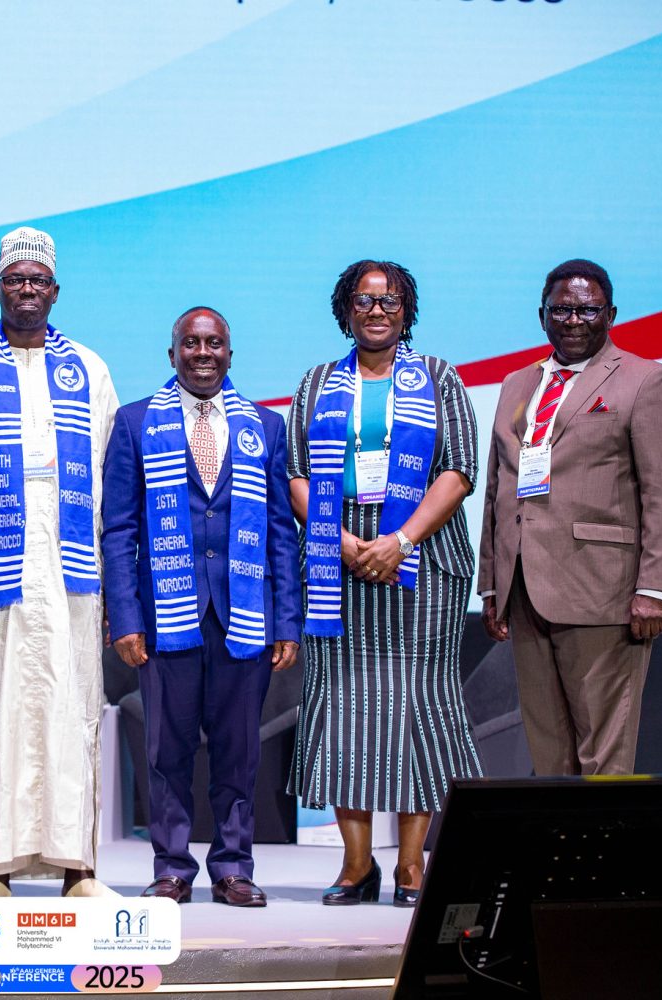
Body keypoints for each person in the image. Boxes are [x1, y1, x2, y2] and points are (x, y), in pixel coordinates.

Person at [286, 260, 482, 908]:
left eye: (390, 301)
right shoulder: (317, 382)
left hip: (422, 558)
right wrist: (341, 541)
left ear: (407, 311)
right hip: (337, 556)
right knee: (343, 707)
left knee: (416, 707)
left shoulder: (440, 378)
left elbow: (458, 471)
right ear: (346, 309)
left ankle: (412, 867)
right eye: (365, 300)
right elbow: (295, 473)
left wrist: (401, 539)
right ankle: (355, 866)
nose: (377, 311)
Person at [0, 226, 120, 898]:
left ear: (55, 291)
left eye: (37, 280)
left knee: (73, 710)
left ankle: (79, 868)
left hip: (72, 570)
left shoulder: (90, 369)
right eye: (15, 279)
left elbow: (110, 478)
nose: (26, 289)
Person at [102, 306, 301, 907]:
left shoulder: (266, 427)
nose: (203, 353)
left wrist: (287, 620)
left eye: (214, 343)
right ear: (172, 354)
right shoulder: (135, 423)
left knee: (240, 752)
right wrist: (125, 616)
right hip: (165, 615)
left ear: (230, 354)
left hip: (245, 612)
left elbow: (281, 531)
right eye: (191, 343)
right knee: (167, 751)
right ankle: (172, 869)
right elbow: (118, 530)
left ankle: (233, 867)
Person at [480, 259, 662, 775]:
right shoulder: (517, 383)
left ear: (611, 314)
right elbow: (498, 486)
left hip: (603, 593)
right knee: (549, 756)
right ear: (542, 315)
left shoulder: (645, 380)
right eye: (561, 310)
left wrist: (655, 588)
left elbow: (661, 492)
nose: (574, 320)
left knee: (603, 757)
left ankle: (608, 836)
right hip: (525, 591)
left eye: (587, 310)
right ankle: (557, 835)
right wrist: (492, 584)